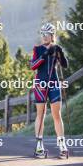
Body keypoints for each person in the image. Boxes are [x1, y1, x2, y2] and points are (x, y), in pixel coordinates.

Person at [30, 23, 69, 157]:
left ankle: (62, 145)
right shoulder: (37, 49)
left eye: (47, 34)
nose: (44, 37)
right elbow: (33, 66)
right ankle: (39, 146)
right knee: (40, 114)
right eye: (42, 34)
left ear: (52, 35)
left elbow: (65, 65)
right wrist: (46, 54)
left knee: (56, 115)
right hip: (40, 84)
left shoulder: (56, 48)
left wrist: (61, 53)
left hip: (54, 84)